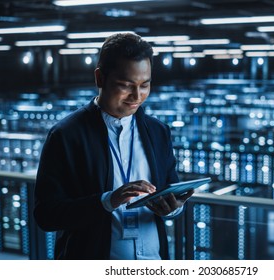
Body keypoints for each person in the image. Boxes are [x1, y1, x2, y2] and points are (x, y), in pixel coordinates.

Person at [34, 32, 193, 260]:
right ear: (100, 78)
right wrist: (108, 201)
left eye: (145, 85)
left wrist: (174, 207)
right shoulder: (66, 135)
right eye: (126, 85)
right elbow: (46, 215)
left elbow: (171, 188)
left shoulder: (158, 132)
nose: (137, 96)